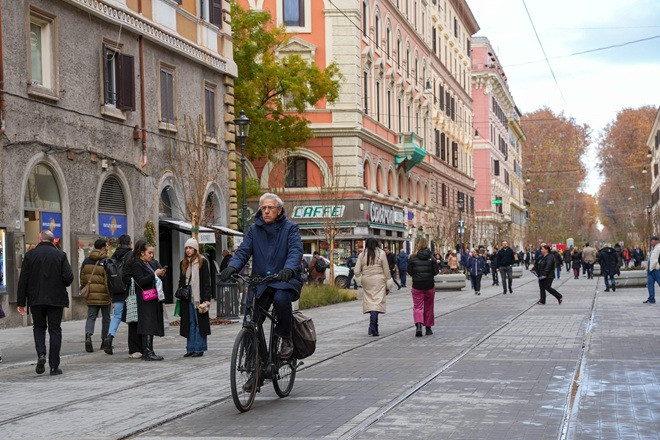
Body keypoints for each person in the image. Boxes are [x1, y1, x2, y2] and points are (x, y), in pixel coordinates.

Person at [219, 193, 303, 361]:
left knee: (281, 300)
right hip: (261, 282)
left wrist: (289, 269)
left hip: (283, 280)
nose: (266, 211)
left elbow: (295, 251)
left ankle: (286, 337)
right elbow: (243, 251)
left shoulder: (290, 228)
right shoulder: (254, 230)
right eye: (263, 208)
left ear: (279, 210)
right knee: (251, 321)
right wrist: (232, 267)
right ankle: (252, 368)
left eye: (270, 208)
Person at [16, 230, 74, 375]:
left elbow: (23, 280)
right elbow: (68, 278)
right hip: (56, 299)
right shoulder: (60, 255)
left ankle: (41, 354)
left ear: (40, 239)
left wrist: (21, 302)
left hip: (36, 299)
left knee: (38, 327)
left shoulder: (30, 255)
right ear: (53, 241)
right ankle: (54, 366)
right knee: (55, 330)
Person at [123, 239, 167, 361]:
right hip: (143, 298)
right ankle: (147, 351)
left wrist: (161, 273)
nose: (151, 255)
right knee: (147, 323)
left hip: (153, 297)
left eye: (152, 253)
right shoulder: (136, 264)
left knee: (151, 322)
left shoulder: (152, 263)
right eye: (149, 253)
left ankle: (148, 350)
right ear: (142, 253)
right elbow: (140, 280)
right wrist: (154, 275)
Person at [178, 238, 212, 357]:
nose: (188, 250)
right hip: (187, 296)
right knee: (190, 322)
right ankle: (190, 348)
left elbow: (206, 282)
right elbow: (181, 280)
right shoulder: (183, 263)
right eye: (186, 248)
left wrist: (207, 299)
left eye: (190, 248)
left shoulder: (203, 261)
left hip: (199, 296)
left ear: (195, 249)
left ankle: (199, 348)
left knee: (199, 322)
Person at [354, 238, 392, 336]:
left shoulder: (362, 255)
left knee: (370, 301)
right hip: (379, 279)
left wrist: (360, 279)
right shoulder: (381, 253)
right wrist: (388, 282)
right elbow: (386, 270)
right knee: (377, 302)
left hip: (367, 280)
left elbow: (357, 271)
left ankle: (372, 327)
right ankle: (373, 326)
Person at [103, 234, 133, 356]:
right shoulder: (131, 255)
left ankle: (109, 337)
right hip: (128, 289)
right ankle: (134, 344)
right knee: (132, 316)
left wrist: (111, 294)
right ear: (130, 243)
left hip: (116, 290)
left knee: (117, 316)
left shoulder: (114, 256)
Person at [80, 238, 111, 353]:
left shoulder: (86, 260)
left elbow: (82, 277)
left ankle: (88, 336)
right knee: (106, 318)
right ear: (103, 248)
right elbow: (108, 280)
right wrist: (110, 295)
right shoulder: (106, 261)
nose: (107, 248)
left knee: (91, 317)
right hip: (104, 295)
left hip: (91, 294)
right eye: (107, 246)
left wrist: (84, 288)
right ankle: (104, 342)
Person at [406, 238, 439, 336]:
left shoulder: (412, 258)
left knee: (417, 306)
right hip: (429, 284)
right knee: (429, 306)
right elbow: (436, 271)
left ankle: (419, 325)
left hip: (417, 285)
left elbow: (410, 271)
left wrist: (416, 275)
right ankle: (428, 328)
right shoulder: (431, 257)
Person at [644, 236, 660, 304]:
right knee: (650, 284)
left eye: (652, 241)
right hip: (650, 269)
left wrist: (657, 265)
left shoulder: (659, 247)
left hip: (656, 269)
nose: (651, 242)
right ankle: (651, 298)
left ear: (656, 241)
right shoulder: (653, 249)